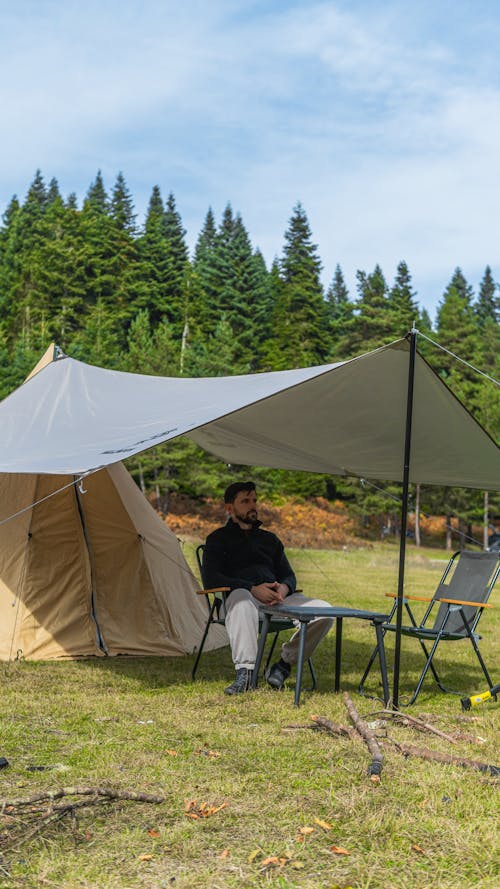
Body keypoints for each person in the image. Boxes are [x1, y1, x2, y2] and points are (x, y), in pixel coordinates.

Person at [202, 481, 334, 695]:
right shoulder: (218, 539)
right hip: (240, 601)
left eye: (254, 500)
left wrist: (283, 588)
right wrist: (252, 588)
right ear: (229, 508)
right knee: (242, 598)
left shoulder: (269, 540)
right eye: (245, 501)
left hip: (277, 600)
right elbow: (211, 578)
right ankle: (245, 674)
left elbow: (289, 575)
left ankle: (283, 664)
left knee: (325, 611)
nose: (252, 505)